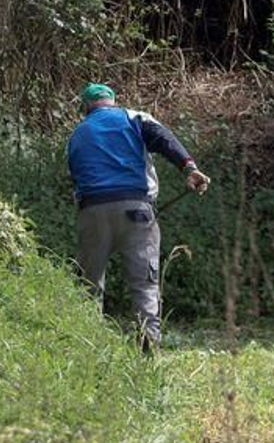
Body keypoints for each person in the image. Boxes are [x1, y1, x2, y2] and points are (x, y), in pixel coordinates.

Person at [66, 82, 209, 348]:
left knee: (88, 284)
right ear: (112, 100)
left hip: (92, 211)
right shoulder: (132, 117)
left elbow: (75, 177)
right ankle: (148, 346)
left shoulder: (77, 133)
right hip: (136, 211)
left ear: (85, 108)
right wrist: (189, 169)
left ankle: (86, 345)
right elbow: (164, 139)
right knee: (144, 284)